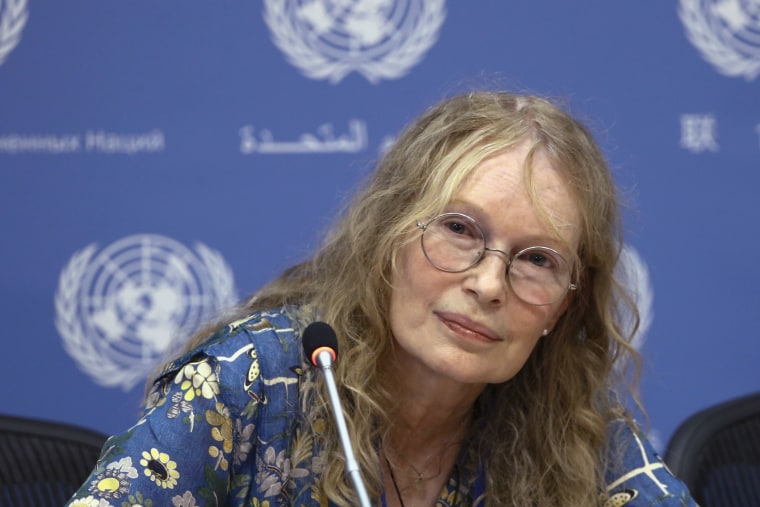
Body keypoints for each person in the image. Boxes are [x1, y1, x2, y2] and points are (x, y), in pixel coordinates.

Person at [66, 91, 696, 507]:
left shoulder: (576, 435)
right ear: (388, 237)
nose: (487, 284)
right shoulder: (251, 382)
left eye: (537, 260)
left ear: (564, 306)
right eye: (459, 230)